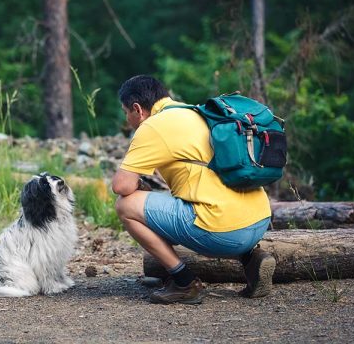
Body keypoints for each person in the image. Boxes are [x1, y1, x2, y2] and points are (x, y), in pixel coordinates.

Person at [112, 75, 276, 305]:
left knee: (126, 205)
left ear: (137, 109)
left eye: (125, 112)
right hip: (259, 220)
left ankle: (184, 282)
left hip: (224, 232)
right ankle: (250, 258)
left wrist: (137, 187)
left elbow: (121, 186)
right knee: (189, 198)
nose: (126, 118)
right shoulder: (195, 112)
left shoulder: (152, 126)